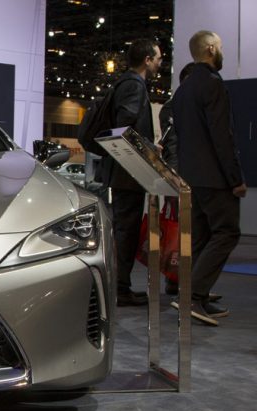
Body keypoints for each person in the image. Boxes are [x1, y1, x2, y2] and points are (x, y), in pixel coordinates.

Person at [171, 30, 247, 325]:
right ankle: (194, 295)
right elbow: (222, 135)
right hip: (215, 178)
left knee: (201, 238)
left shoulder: (184, 89)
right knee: (227, 233)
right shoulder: (213, 84)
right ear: (212, 48)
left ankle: (194, 298)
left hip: (190, 178)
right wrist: (235, 177)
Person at [100, 39, 163, 306]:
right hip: (128, 173)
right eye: (158, 57)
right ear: (147, 60)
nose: (161, 62)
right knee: (126, 231)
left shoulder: (127, 83)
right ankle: (120, 289)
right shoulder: (133, 86)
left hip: (124, 172)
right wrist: (149, 148)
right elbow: (122, 128)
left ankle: (121, 286)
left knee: (125, 230)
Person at [158, 61, 195, 295]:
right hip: (181, 177)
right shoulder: (175, 108)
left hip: (180, 176)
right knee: (179, 229)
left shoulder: (171, 107)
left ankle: (181, 279)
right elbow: (172, 145)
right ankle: (175, 279)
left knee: (182, 229)